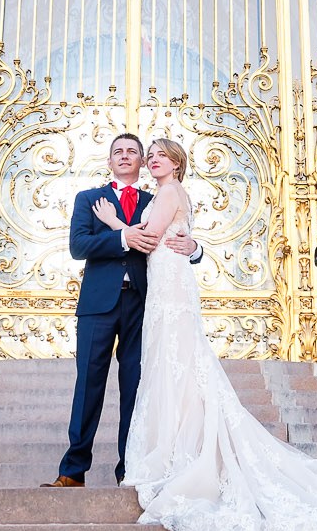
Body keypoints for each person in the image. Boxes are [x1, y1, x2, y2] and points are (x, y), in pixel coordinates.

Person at [109, 137, 317, 531]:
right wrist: (185, 243)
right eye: (150, 155)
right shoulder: (168, 193)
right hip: (166, 288)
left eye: (160, 155)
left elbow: (150, 237)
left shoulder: (169, 191)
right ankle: (180, 441)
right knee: (175, 366)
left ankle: (181, 448)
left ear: (175, 163)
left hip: (170, 289)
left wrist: (113, 224)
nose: (153, 160)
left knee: (177, 364)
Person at [45, 133, 202, 487]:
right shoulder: (90, 199)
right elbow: (78, 245)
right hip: (97, 305)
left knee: (136, 387)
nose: (126, 155)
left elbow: (174, 237)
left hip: (142, 304)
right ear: (110, 161)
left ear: (142, 161)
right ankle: (72, 471)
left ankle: (128, 469)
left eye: (134, 151)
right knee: (88, 384)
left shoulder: (156, 196)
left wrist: (195, 247)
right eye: (119, 151)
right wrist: (120, 238)